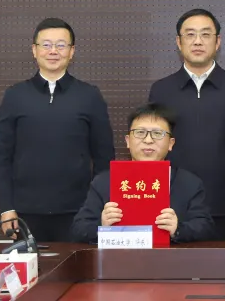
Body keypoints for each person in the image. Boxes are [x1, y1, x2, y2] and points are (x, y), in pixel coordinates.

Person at [0, 18, 116, 243]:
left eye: (61, 45)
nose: (53, 51)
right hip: (24, 213)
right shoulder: (15, 96)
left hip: (78, 212)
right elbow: (1, 157)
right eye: (46, 45)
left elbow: (104, 158)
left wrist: (98, 205)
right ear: (34, 50)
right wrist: (6, 208)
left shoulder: (89, 96)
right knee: (30, 266)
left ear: (71, 51)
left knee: (78, 266)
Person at [148, 9, 225, 239]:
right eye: (190, 34)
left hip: (224, 206)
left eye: (205, 34)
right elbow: (151, 150)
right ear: (179, 42)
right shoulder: (161, 90)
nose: (198, 41)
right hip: (171, 208)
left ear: (217, 42)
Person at [70, 103, 216, 244]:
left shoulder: (189, 184)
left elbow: (206, 228)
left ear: (171, 143)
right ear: (128, 141)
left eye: (157, 134)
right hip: (120, 258)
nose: (148, 140)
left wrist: (178, 229)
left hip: (170, 259)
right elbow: (78, 229)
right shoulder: (103, 182)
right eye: (140, 133)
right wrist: (102, 226)